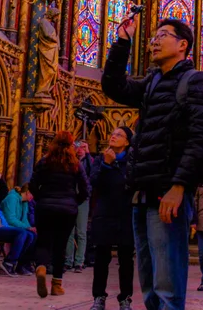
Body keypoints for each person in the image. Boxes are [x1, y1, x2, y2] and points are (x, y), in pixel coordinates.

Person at [101, 14, 203, 310]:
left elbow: (199, 140)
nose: (154, 40)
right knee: (150, 282)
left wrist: (179, 186)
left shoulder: (199, 82)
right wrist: (122, 41)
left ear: (183, 45)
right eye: (153, 36)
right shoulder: (152, 83)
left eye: (163, 35)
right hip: (142, 190)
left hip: (168, 192)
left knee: (167, 282)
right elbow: (113, 87)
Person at [30, 130, 89, 297]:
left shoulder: (44, 161)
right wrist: (74, 201)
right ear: (71, 145)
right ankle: (56, 285)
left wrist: (42, 198)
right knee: (60, 245)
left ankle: (41, 267)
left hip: (45, 207)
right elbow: (86, 188)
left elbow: (33, 185)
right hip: (67, 210)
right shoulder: (76, 164)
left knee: (43, 242)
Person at [90, 126, 136, 310]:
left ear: (127, 141)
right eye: (112, 134)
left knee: (126, 259)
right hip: (105, 214)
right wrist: (106, 165)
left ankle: (125, 298)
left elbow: (132, 183)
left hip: (126, 214)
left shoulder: (132, 161)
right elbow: (94, 182)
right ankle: (99, 297)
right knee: (101, 258)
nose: (114, 137)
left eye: (119, 135)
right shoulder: (100, 160)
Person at [66, 140, 93, 272]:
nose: (80, 150)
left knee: (81, 232)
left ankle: (79, 262)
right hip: (71, 199)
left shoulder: (89, 162)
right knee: (69, 232)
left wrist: (88, 154)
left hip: (83, 200)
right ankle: (68, 260)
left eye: (84, 147)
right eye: (79, 147)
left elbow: (93, 172)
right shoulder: (71, 162)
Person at [0, 184, 37, 273]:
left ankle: (23, 264)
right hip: (6, 226)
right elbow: (10, 219)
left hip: (17, 227)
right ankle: (9, 262)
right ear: (27, 192)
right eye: (32, 194)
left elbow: (24, 219)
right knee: (26, 234)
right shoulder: (12, 198)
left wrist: (31, 228)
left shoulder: (25, 202)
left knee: (34, 235)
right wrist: (27, 227)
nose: (33, 197)